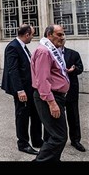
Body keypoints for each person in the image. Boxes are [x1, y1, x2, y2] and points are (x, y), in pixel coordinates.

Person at [1, 24, 43, 155]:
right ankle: (23, 143)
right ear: (27, 35)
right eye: (32, 34)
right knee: (22, 116)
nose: (33, 37)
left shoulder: (23, 47)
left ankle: (37, 140)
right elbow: (13, 70)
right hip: (22, 89)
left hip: (30, 88)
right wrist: (19, 90)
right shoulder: (13, 47)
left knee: (36, 114)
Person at [31, 24, 70, 161]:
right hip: (49, 97)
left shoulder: (51, 50)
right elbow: (42, 80)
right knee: (59, 137)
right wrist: (52, 103)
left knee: (52, 135)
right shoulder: (44, 51)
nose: (62, 38)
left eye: (63, 34)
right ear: (49, 35)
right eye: (59, 35)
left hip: (55, 96)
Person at [61, 41, 86, 152]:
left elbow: (80, 68)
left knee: (73, 116)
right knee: (56, 117)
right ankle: (54, 140)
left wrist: (73, 70)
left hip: (71, 90)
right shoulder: (48, 54)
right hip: (56, 91)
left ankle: (75, 140)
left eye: (62, 38)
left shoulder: (73, 54)